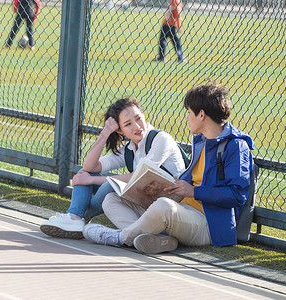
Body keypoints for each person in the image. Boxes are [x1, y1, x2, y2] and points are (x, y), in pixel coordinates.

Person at [83, 82, 254, 254]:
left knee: (163, 206)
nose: (187, 117)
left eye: (189, 112)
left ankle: (119, 238)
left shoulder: (236, 146)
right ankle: (156, 239)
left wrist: (194, 191)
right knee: (111, 200)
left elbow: (237, 195)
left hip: (209, 224)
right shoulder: (201, 140)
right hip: (180, 209)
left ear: (201, 115)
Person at [40, 97, 187, 239]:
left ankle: (77, 217)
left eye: (138, 118)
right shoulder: (129, 150)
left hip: (173, 205)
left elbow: (139, 176)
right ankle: (74, 217)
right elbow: (89, 166)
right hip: (148, 201)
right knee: (84, 173)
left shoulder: (161, 139)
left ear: (143, 115)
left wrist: (90, 179)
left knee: (107, 185)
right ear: (120, 131)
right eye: (128, 124)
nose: (136, 126)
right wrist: (105, 132)